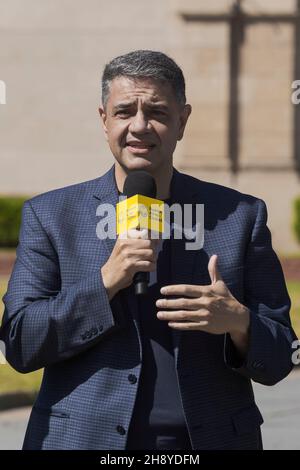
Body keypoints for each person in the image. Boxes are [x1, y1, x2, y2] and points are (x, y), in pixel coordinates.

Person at [0, 50, 297, 450]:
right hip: (82, 441)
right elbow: (20, 343)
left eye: (157, 111)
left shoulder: (241, 216)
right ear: (104, 120)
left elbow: (283, 355)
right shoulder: (51, 215)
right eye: (124, 111)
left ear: (182, 120)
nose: (140, 126)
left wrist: (239, 322)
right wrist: (106, 282)